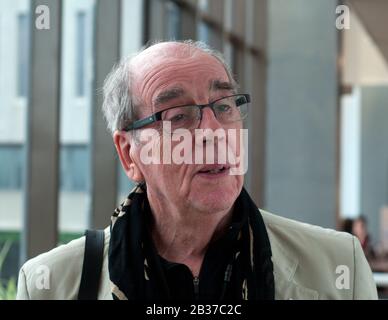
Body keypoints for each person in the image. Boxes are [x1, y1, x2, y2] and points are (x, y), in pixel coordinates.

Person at [16, 40, 377, 300]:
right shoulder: (51, 284)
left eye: (224, 106)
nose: (213, 132)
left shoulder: (337, 266)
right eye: (178, 116)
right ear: (129, 155)